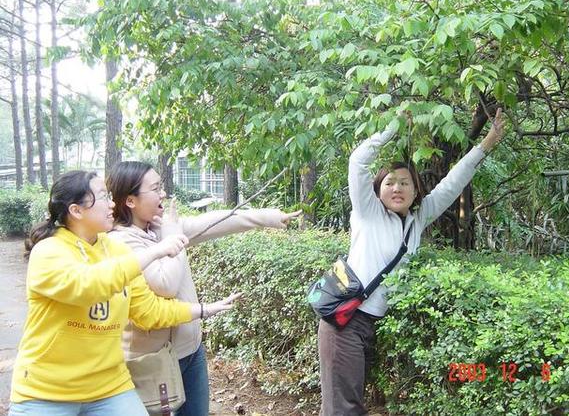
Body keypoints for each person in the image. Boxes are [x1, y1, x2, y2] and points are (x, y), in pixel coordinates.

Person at [318, 109, 506, 415]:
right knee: (345, 408)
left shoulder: (416, 220)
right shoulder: (368, 213)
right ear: (377, 190)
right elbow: (357, 161)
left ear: (416, 190)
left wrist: (485, 145)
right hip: (345, 322)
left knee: (351, 402)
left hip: (374, 322)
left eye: (405, 183)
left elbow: (452, 184)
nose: (397, 188)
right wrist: (393, 127)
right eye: (390, 183)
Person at [8, 170, 240, 416]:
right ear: (76, 211)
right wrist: (154, 252)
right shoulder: (48, 251)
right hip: (46, 392)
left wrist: (205, 309)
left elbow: (148, 311)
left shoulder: (116, 250)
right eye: (102, 197)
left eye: (109, 196)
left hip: (109, 387)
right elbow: (87, 286)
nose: (111, 204)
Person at [106, 161, 302, 416]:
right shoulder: (122, 241)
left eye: (161, 186)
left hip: (191, 349)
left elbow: (216, 222)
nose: (162, 193)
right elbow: (165, 285)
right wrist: (172, 237)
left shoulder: (159, 226)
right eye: (155, 188)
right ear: (130, 200)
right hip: (154, 359)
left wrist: (268, 217)